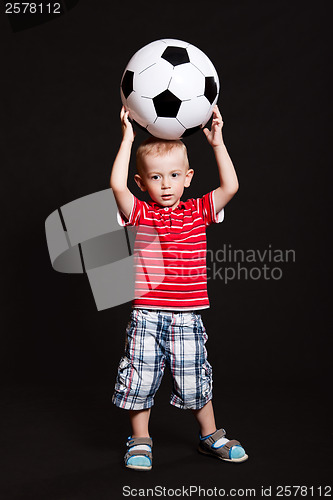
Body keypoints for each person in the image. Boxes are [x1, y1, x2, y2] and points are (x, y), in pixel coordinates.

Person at [110, 105, 248, 470]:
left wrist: (218, 143)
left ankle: (209, 435)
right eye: (155, 178)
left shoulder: (197, 211)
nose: (166, 184)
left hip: (186, 315)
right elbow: (115, 186)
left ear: (188, 177)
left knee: (194, 375)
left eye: (173, 175)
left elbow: (231, 186)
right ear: (142, 183)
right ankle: (140, 440)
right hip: (147, 314)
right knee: (139, 376)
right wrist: (128, 139)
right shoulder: (140, 213)